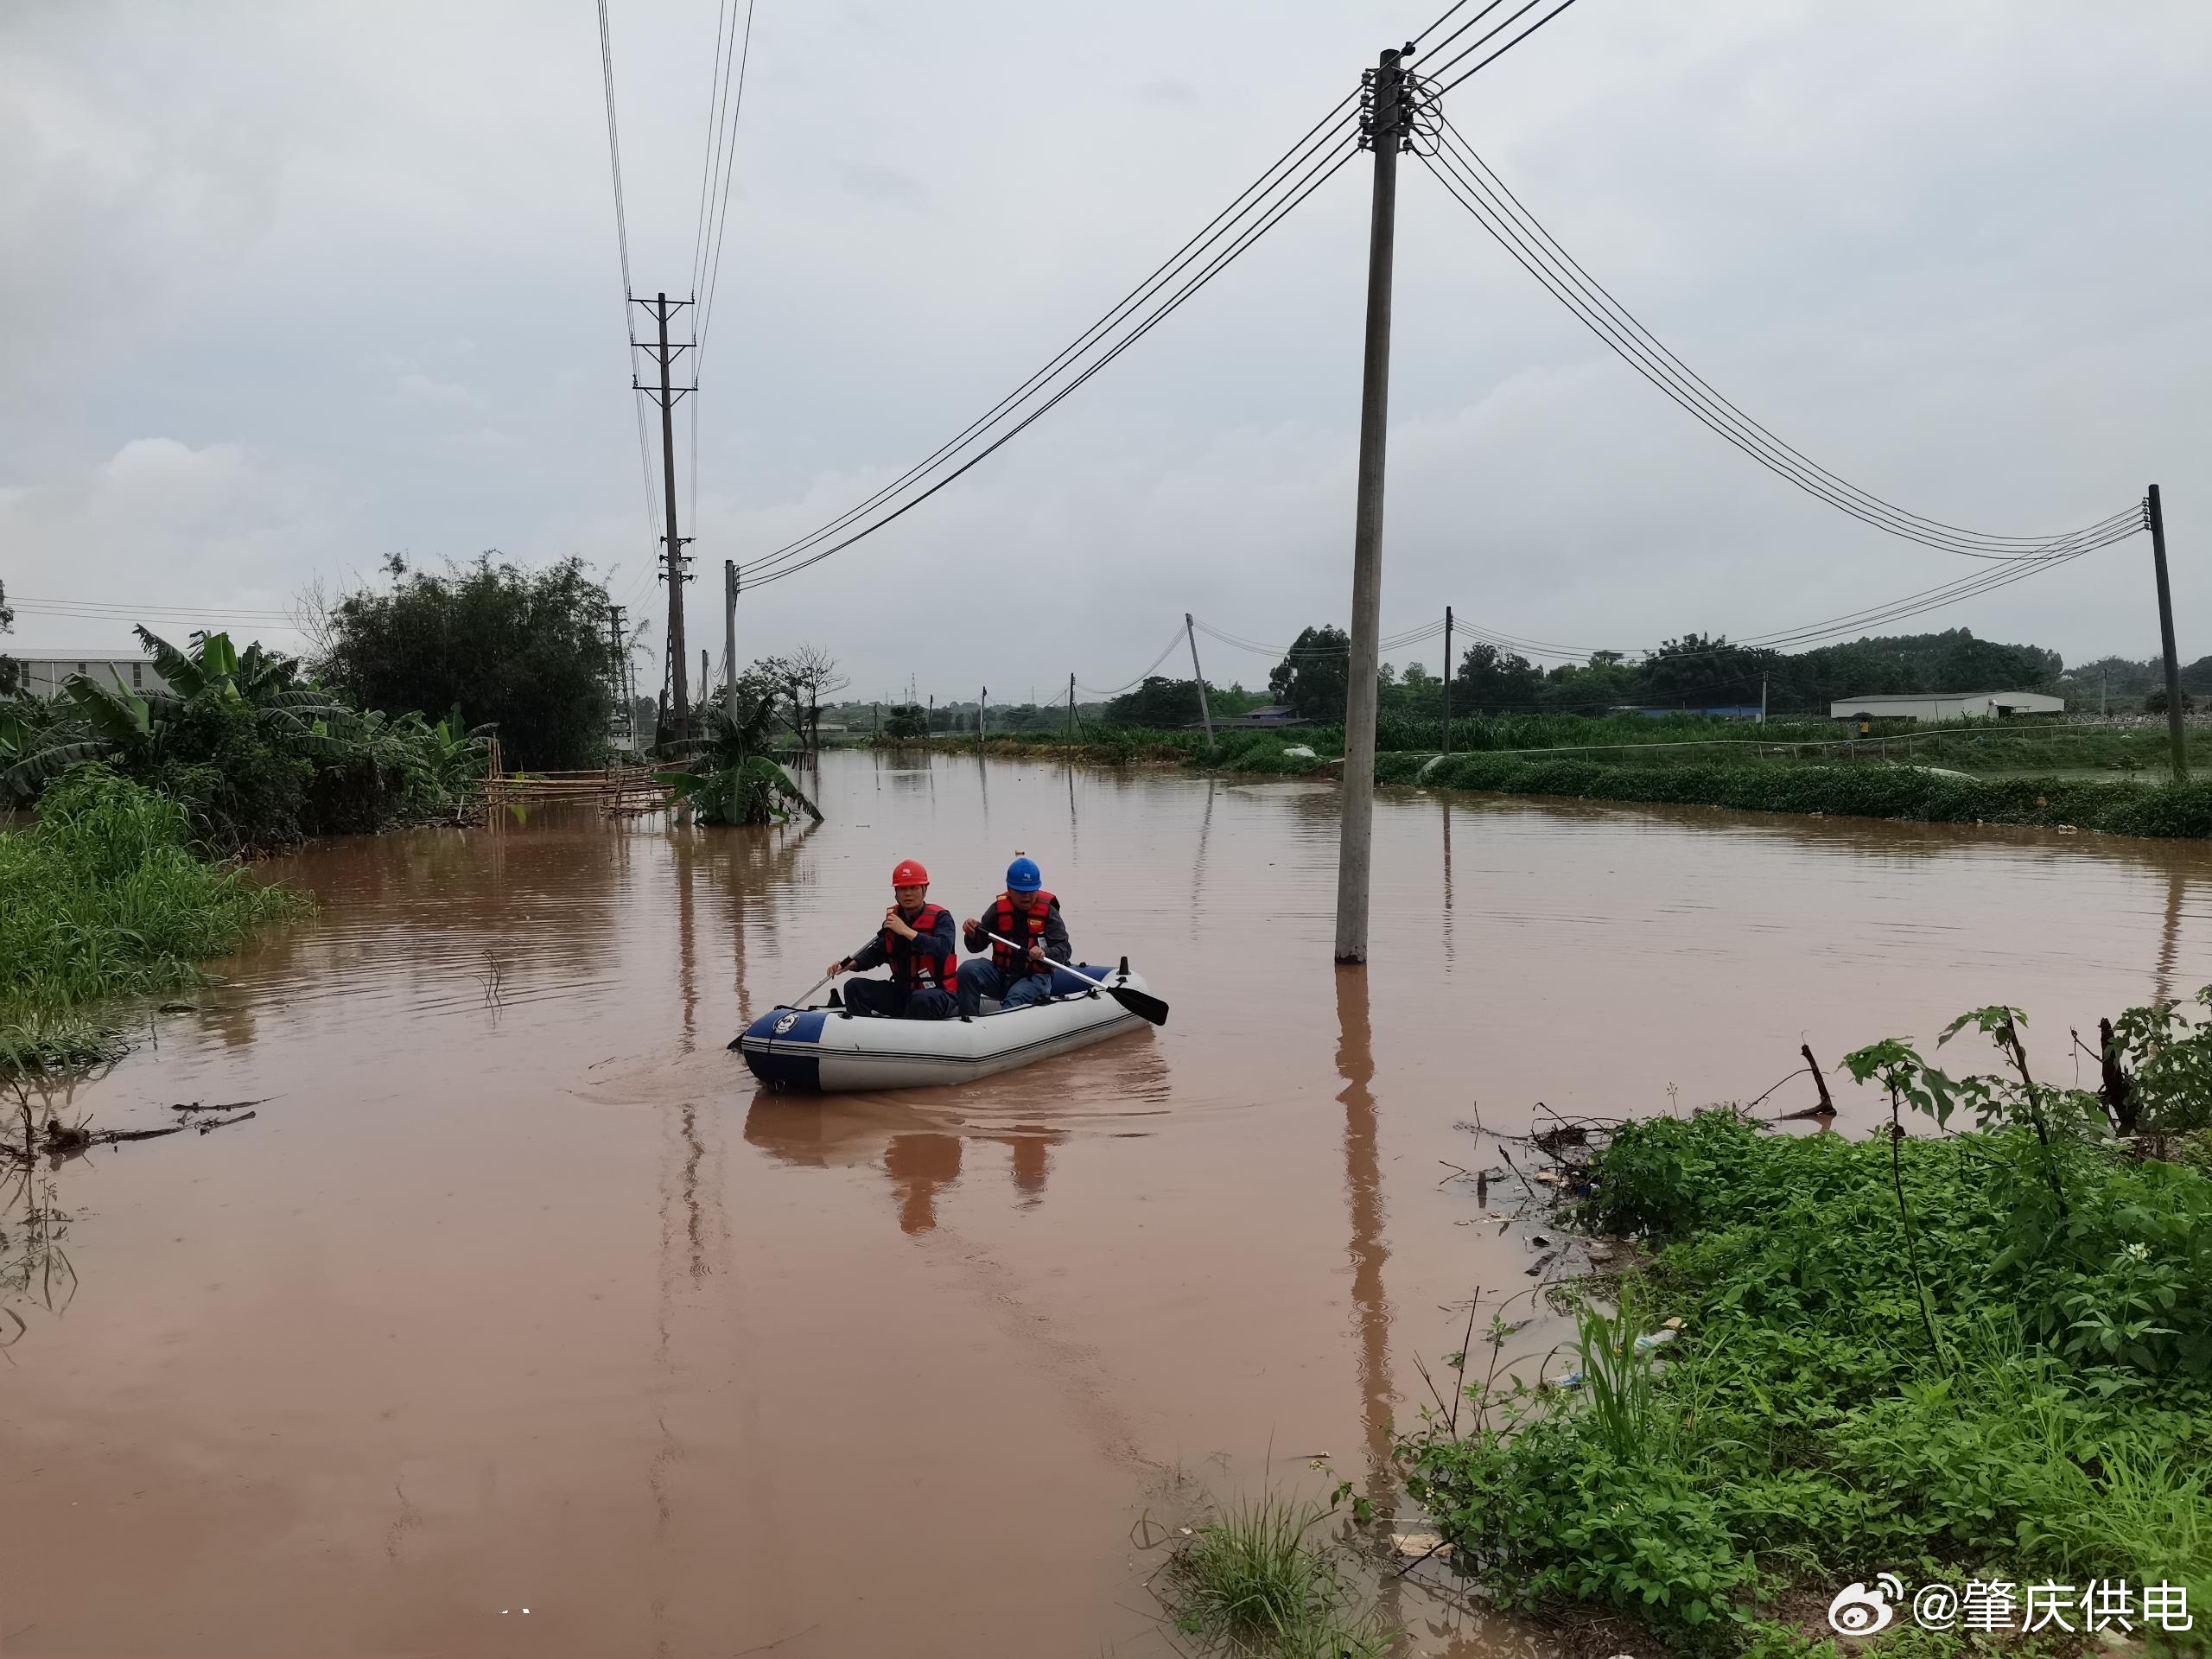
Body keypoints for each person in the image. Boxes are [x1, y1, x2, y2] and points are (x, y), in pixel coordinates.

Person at [830, 858, 959, 1020]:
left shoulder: (942, 918)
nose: (908, 893)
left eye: (913, 888)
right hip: (903, 992)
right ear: (896, 893)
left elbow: (943, 948)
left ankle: (907, 1037)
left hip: (938, 994)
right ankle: (862, 1035)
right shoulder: (893, 920)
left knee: (920, 999)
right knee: (853, 987)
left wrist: (906, 931)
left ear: (924, 889)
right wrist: (849, 964)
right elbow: (877, 952)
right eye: (902, 889)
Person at [957, 855, 1071, 1016]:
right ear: (1010, 889)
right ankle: (967, 1020)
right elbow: (977, 947)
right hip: (1001, 974)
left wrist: (1044, 953)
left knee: (1015, 998)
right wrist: (971, 935)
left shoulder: (1049, 913)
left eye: (1031, 891)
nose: (1026, 896)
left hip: (1034, 977)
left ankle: (1001, 1031)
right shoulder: (998, 910)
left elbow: (1065, 949)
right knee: (967, 970)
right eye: (1020, 891)